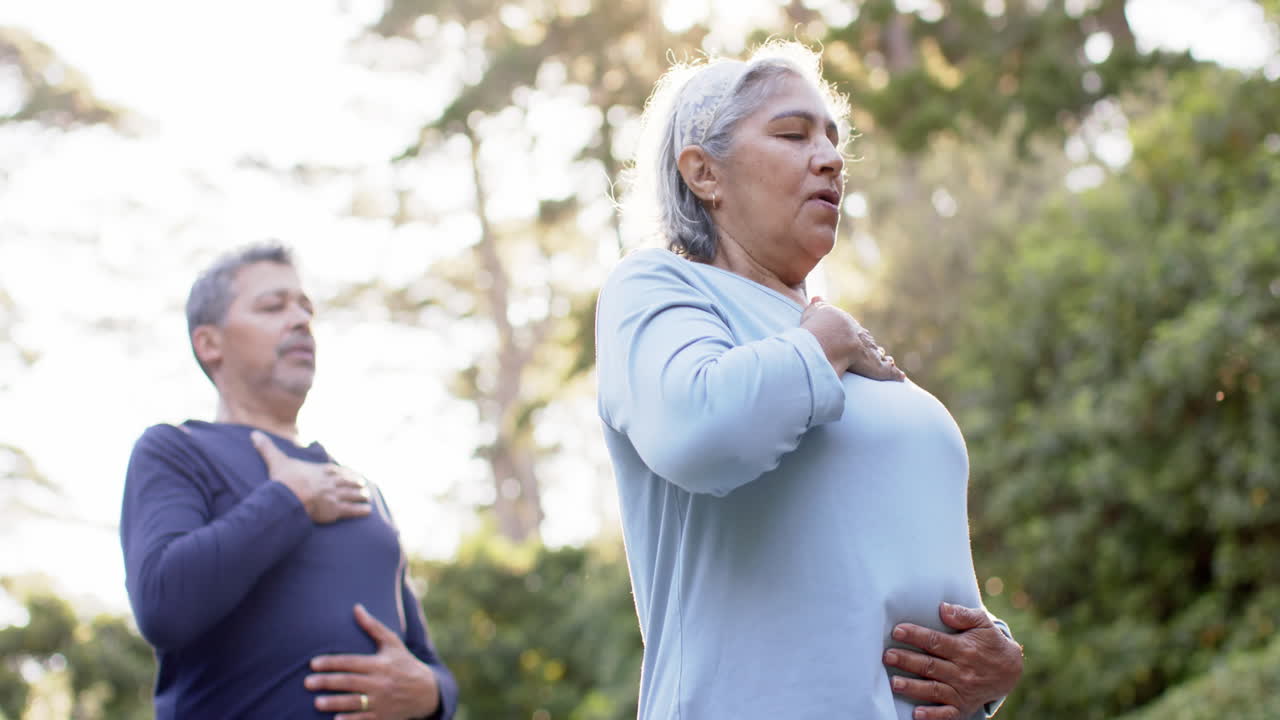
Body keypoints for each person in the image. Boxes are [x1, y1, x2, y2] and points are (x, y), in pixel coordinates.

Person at [595, 42, 1023, 720]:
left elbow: (867, 569)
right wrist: (824, 343)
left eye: (833, 139)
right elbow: (697, 432)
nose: (829, 158)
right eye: (793, 134)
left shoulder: (831, 337)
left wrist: (991, 661)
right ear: (704, 173)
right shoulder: (656, 287)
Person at [120, 242, 458, 720]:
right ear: (209, 343)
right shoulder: (175, 452)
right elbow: (162, 605)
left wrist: (433, 693)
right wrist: (290, 501)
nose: (300, 320)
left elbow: (428, 662)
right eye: (273, 306)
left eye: (306, 307)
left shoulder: (361, 488)